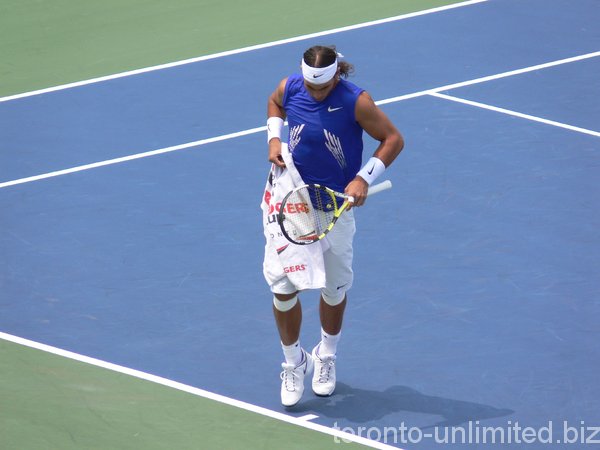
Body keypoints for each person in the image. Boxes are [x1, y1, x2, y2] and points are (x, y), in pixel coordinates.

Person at [265, 45, 404, 407]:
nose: (314, 93)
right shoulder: (291, 86)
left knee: (334, 287)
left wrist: (363, 178)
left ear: (337, 75)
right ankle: (294, 361)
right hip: (290, 198)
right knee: (282, 289)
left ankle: (326, 354)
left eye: (321, 89)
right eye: (310, 88)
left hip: (333, 206)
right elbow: (274, 102)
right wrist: (274, 138)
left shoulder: (357, 101)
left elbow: (393, 139)